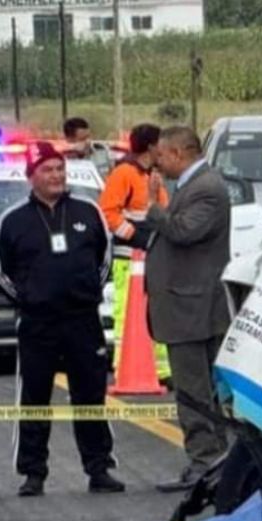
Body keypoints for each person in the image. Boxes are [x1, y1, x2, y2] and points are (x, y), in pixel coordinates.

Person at [0, 141, 125, 497]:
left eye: (59, 169)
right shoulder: (13, 221)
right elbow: (0, 270)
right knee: (35, 397)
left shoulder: (87, 212)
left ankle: (99, 468)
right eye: (47, 170)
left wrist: (84, 295)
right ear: (31, 176)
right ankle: (33, 472)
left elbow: (105, 260)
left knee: (91, 396)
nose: (56, 176)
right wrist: (30, 300)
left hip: (83, 321)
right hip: (38, 325)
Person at [129, 127, 230, 493]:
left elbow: (184, 231)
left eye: (161, 157)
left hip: (194, 310)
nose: (157, 163)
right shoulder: (193, 186)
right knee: (196, 391)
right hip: (186, 307)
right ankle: (208, 462)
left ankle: (207, 464)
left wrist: (154, 209)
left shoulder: (207, 188)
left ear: (177, 153)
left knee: (195, 392)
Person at [97, 124, 171, 383]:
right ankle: (124, 365)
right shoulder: (124, 174)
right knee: (126, 313)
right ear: (151, 146)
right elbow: (108, 212)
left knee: (155, 310)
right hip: (128, 258)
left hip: (151, 255)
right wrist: (134, 235)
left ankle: (159, 369)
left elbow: (162, 210)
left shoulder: (150, 175)